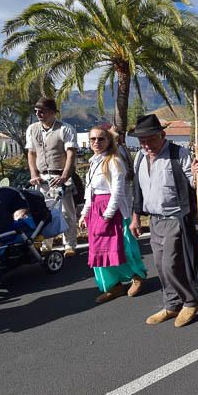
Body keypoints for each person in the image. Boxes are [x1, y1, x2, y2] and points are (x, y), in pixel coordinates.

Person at [128, 114, 198, 328]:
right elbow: (138, 190)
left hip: (176, 218)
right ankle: (171, 305)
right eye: (141, 140)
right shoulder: (140, 158)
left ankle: (192, 300)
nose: (145, 144)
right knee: (160, 266)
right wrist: (136, 218)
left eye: (150, 139)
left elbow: (195, 185)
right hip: (154, 220)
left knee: (171, 264)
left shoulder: (178, 153)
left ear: (162, 135)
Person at [78, 126, 147, 303]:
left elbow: (117, 192)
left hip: (112, 210)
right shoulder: (94, 162)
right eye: (93, 139)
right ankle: (113, 286)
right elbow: (89, 192)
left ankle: (136, 276)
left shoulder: (115, 161)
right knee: (98, 251)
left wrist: (107, 216)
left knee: (121, 247)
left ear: (109, 141)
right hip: (95, 210)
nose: (96, 142)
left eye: (101, 139)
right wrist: (85, 213)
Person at [25, 97, 78, 257]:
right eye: (36, 110)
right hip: (41, 178)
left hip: (60, 176)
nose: (38, 113)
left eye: (42, 110)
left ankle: (70, 244)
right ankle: (46, 244)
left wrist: (64, 176)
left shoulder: (65, 129)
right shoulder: (32, 129)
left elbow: (71, 154)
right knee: (44, 212)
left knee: (67, 212)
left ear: (53, 112)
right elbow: (31, 153)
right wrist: (33, 174)